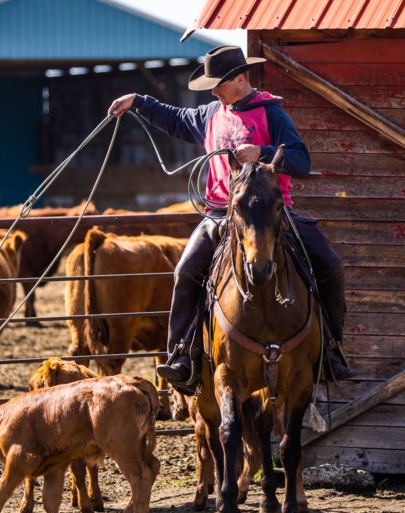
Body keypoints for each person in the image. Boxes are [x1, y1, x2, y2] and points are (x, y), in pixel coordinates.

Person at [108, 45, 355, 395]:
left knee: (330, 266)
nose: (213, 91)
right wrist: (138, 101)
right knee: (185, 271)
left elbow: (301, 160)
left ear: (240, 78)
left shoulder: (273, 115)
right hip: (220, 212)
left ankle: (331, 352)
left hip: (271, 212)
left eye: (218, 83)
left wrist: (263, 152)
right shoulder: (211, 113)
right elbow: (175, 119)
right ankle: (181, 356)